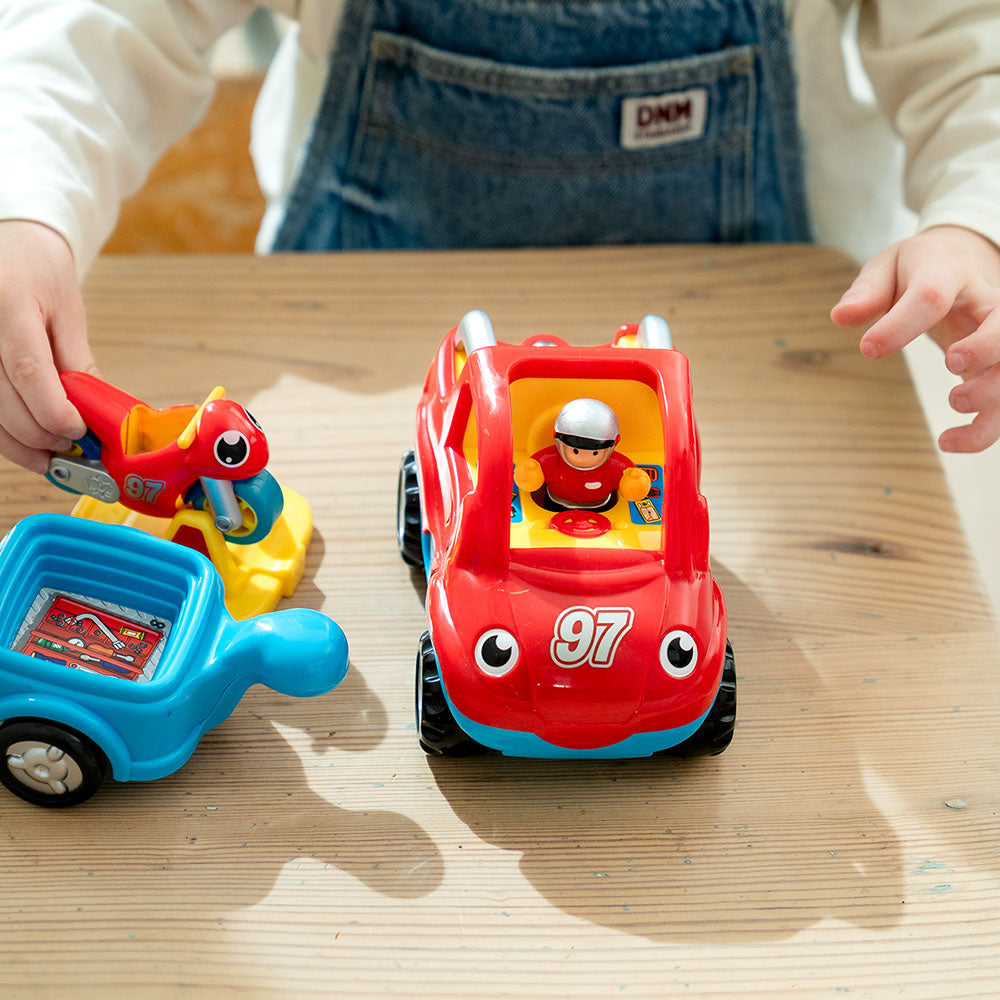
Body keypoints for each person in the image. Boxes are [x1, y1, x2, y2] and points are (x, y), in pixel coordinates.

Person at [1, 0, 999, 474]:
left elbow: (971, 54)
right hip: (357, 385)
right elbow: (96, 28)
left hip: (760, 409)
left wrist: (975, 223)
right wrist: (24, 206)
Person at [514, 398, 651, 512]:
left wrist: (634, 481)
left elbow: (629, 481)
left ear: (615, 442)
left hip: (601, 508)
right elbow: (534, 472)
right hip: (555, 504)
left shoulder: (614, 465)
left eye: (595, 452)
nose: (583, 459)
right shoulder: (552, 459)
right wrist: (530, 471)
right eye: (576, 451)